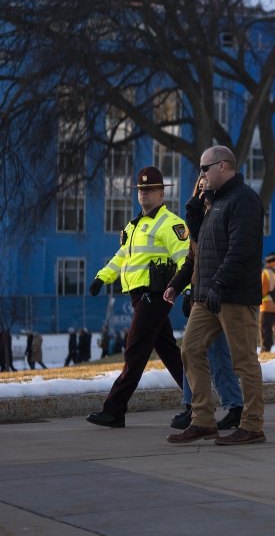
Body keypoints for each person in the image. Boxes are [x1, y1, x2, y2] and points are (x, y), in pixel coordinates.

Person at [165, 145, 265, 445]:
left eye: (205, 169)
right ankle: (203, 420)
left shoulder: (243, 200)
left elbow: (241, 250)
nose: (201, 175)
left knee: (244, 360)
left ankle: (252, 425)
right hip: (207, 296)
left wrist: (219, 284)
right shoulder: (214, 203)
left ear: (223, 166)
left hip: (233, 295)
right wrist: (195, 209)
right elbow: (201, 252)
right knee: (190, 349)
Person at [85, 166, 187, 428]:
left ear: (162, 193)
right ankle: (197, 402)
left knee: (135, 349)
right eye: (141, 190)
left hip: (156, 295)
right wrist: (102, 277)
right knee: (168, 352)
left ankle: (114, 409)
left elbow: (186, 260)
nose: (144, 194)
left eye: (150, 189)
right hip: (139, 297)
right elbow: (122, 257)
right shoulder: (134, 225)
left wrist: (188, 292)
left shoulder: (171, 223)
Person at [168, 176, 244, 432]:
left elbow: (229, 256)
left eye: (206, 186)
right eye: (198, 186)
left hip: (220, 296)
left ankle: (232, 408)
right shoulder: (198, 222)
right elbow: (192, 260)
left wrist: (217, 287)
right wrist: (176, 286)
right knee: (192, 350)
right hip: (200, 297)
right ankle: (196, 408)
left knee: (218, 354)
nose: (202, 190)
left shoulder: (222, 216)